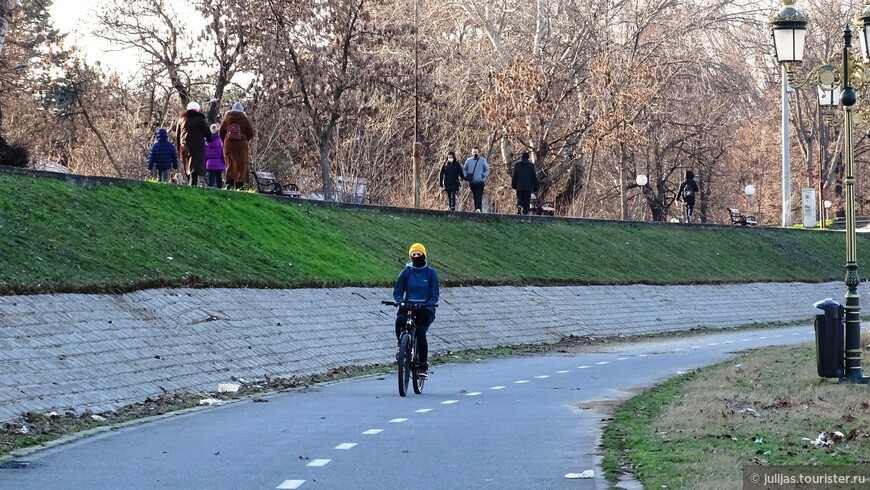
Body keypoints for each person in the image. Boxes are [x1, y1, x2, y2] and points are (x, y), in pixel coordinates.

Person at [392, 243, 439, 378]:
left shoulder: (431, 273)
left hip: (425, 309)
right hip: (408, 307)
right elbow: (398, 291)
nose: (416, 256)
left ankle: (422, 365)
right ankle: (402, 347)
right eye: (414, 254)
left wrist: (429, 304)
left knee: (420, 332)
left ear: (424, 255)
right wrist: (400, 301)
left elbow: (434, 294)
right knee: (399, 321)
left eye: (419, 254)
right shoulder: (406, 272)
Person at [220, 101, 256, 190]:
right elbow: (251, 133)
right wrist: (244, 139)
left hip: (228, 145)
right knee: (241, 164)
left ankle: (229, 183)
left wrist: (225, 141)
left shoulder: (227, 118)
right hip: (241, 145)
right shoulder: (244, 119)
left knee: (230, 163)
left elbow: (220, 132)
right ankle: (239, 185)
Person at [175, 101, 212, 187]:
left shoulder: (182, 119)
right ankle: (193, 184)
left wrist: (179, 146)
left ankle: (190, 183)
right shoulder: (200, 120)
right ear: (197, 109)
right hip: (197, 145)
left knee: (187, 164)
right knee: (194, 165)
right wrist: (209, 140)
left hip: (184, 145)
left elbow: (177, 134)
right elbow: (208, 133)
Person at [463, 146, 490, 212]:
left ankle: (479, 208)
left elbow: (487, 169)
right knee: (475, 196)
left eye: (476, 152)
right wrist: (466, 176)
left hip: (480, 182)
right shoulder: (468, 161)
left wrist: (483, 176)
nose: (475, 153)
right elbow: (464, 169)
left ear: (479, 153)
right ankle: (476, 208)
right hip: (472, 182)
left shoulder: (483, 161)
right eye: (473, 152)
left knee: (479, 195)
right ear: (472, 153)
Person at [204, 123, 226, 189]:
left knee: (211, 178)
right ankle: (220, 190)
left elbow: (205, 154)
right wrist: (224, 161)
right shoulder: (220, 141)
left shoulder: (206, 142)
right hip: (219, 162)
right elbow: (222, 153)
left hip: (209, 163)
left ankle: (209, 189)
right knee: (219, 177)